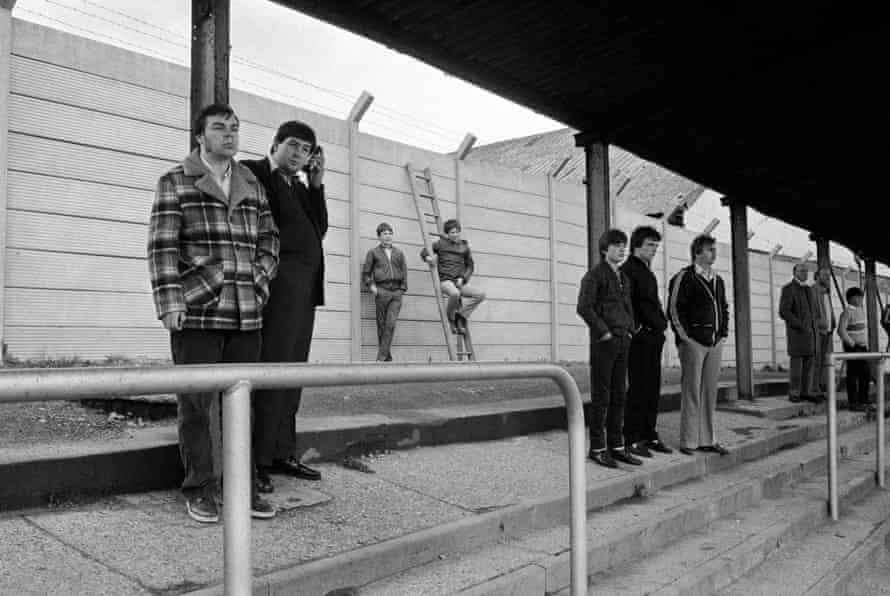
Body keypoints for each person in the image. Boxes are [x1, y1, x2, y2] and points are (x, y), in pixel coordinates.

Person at [147, 103, 279, 522]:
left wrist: (260, 280)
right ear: (200, 136)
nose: (230, 134)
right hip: (199, 309)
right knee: (196, 405)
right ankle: (200, 487)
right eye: (220, 128)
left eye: (235, 128)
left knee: (243, 405)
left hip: (246, 312)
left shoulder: (252, 184)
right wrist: (171, 302)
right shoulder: (175, 181)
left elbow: (270, 239)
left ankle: (242, 486)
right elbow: (162, 247)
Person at [241, 120, 327, 494]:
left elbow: (319, 229)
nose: (299, 154)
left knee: (293, 371)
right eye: (293, 146)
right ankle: (256, 459)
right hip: (277, 286)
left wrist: (317, 184)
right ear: (275, 144)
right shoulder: (254, 172)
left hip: (305, 289)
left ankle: (281, 451)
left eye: (306, 150)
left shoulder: (302, 186)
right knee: (271, 369)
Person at [577, 229, 639, 468]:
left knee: (619, 394)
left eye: (624, 245)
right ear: (605, 249)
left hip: (623, 340)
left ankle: (617, 445)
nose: (622, 249)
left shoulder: (624, 277)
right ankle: (598, 448)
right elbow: (584, 307)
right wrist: (604, 332)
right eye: (617, 245)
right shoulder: (595, 275)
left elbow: (628, 307)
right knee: (601, 395)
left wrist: (631, 329)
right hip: (605, 343)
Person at [667, 234, 730, 456]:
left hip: (715, 343)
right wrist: (686, 338)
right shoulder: (684, 277)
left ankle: (707, 440)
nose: (714, 253)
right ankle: (689, 441)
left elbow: (724, 308)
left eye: (714, 249)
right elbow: (675, 309)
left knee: (709, 393)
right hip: (693, 343)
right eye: (710, 249)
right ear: (698, 253)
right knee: (692, 391)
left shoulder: (718, 280)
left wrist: (723, 334)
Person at [621, 226, 671, 458]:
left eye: (656, 246)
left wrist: (660, 327)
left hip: (653, 336)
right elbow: (625, 305)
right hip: (641, 339)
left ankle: (649, 434)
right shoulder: (628, 271)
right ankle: (631, 438)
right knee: (639, 388)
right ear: (637, 245)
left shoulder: (646, 270)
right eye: (650, 245)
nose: (654, 250)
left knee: (652, 387)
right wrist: (638, 330)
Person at [420, 219, 485, 334]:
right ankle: (451, 318)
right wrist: (428, 258)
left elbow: (470, 266)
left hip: (459, 281)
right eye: (452, 232)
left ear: (459, 232)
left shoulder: (464, 246)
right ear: (447, 234)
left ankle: (460, 315)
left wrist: (463, 278)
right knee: (455, 293)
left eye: (456, 232)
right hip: (446, 281)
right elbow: (424, 251)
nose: (455, 234)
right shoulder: (440, 244)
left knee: (480, 295)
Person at [363, 222, 408, 361]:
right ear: (379, 237)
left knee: (390, 324)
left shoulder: (399, 253)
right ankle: (387, 357)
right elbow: (366, 272)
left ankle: (380, 358)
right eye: (384, 233)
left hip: (396, 293)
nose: (388, 236)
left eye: (389, 233)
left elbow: (404, 271)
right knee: (382, 325)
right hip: (381, 291)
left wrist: (402, 289)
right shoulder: (373, 253)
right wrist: (372, 287)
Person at [779, 263, 822, 403]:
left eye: (806, 271)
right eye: (801, 271)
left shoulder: (808, 289)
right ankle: (794, 393)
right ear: (794, 272)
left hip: (810, 333)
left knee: (809, 363)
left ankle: (806, 392)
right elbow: (784, 311)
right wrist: (800, 324)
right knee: (797, 364)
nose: (805, 273)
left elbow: (813, 311)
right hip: (797, 334)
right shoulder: (788, 289)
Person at [838, 287, 871, 411]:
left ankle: (863, 400)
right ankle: (853, 402)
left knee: (865, 374)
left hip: (862, 348)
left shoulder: (860, 311)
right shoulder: (847, 312)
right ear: (852, 298)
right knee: (853, 374)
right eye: (859, 297)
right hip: (853, 348)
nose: (861, 300)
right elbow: (841, 330)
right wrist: (852, 344)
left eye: (861, 297)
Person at [813, 267, 837, 397]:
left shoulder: (826, 291)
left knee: (822, 360)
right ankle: (813, 388)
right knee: (816, 360)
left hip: (827, 331)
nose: (828, 278)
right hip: (818, 331)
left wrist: (832, 323)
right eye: (824, 275)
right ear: (817, 276)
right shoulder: (813, 291)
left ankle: (818, 387)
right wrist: (818, 323)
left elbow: (828, 309)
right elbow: (811, 312)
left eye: (829, 275)